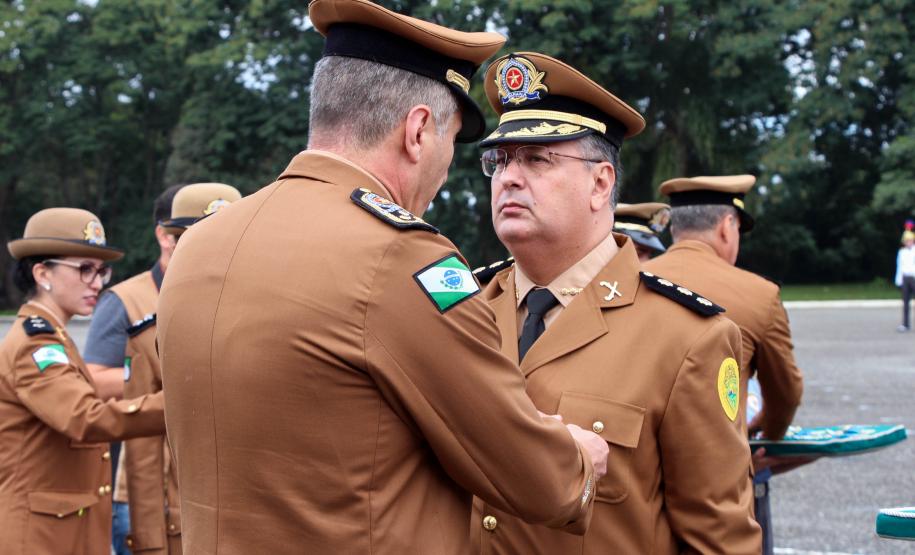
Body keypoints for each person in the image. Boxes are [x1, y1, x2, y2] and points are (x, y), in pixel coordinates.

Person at [156, 1, 609, 553]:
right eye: (451, 144)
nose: (446, 172)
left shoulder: (200, 244)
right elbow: (533, 478)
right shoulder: (403, 260)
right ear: (418, 130)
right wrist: (578, 458)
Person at [471, 51, 760, 554]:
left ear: (601, 183)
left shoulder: (688, 337)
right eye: (501, 160)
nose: (509, 178)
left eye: (537, 159)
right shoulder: (462, 309)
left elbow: (720, 542)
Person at [644, 174, 805, 555]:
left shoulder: (629, 280)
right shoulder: (760, 295)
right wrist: (767, 433)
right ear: (726, 226)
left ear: (675, 229)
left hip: (637, 475)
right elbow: (786, 391)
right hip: (720, 483)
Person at [0, 207, 166, 555]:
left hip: (61, 532)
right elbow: (85, 417)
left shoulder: (54, 338)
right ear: (42, 272)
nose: (96, 282)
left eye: (101, 270)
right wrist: (179, 403)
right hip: (36, 537)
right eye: (84, 269)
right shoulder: (36, 343)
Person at [123, 183, 241, 555]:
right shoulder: (148, 336)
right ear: (171, 242)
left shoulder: (274, 319)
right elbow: (142, 452)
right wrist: (149, 543)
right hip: (186, 528)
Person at [83, 183, 183, 555]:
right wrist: (171, 384)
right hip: (141, 485)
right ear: (162, 234)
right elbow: (92, 379)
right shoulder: (124, 298)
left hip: (200, 486)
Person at [895, 225, 915, 332]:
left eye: (910, 240)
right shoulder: (901, 252)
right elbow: (899, 266)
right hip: (905, 278)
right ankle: (905, 324)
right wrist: (898, 280)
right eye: (907, 241)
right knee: (905, 303)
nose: (909, 242)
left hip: (914, 278)